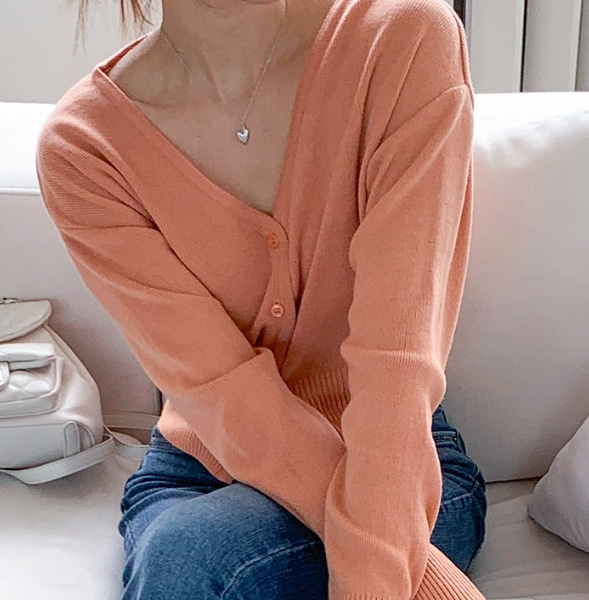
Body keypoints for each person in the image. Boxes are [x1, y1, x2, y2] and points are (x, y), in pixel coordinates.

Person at [36, 0, 488, 598]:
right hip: (194, 471)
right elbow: (221, 391)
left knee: (194, 563)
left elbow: (397, 365)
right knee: (188, 555)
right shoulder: (84, 147)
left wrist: (380, 558)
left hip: (394, 463)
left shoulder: (400, 39)